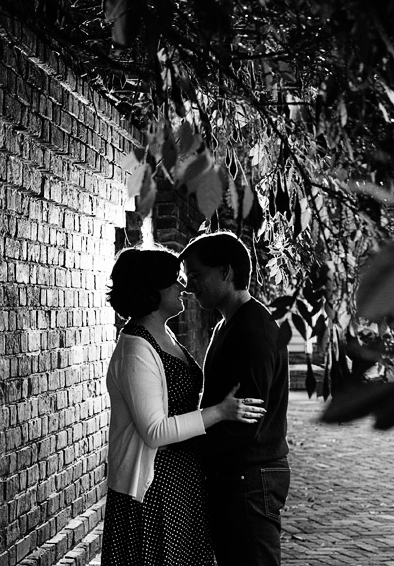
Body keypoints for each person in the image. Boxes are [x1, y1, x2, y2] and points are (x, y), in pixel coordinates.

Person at [102, 246, 266, 566]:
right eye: (174, 279)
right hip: (151, 492)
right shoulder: (137, 347)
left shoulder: (164, 336)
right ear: (151, 289)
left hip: (182, 481)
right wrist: (220, 412)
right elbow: (155, 432)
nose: (183, 286)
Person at [179, 231, 290, 566]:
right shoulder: (229, 324)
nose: (189, 286)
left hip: (250, 479)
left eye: (196, 275)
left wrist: (185, 444)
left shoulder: (251, 330)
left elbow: (246, 422)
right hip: (237, 477)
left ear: (226, 272)